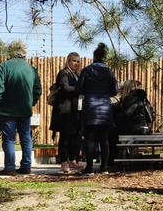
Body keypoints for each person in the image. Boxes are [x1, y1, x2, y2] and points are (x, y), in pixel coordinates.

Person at [0, 41, 41, 175]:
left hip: (7, 110)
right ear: (24, 52)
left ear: (10, 51)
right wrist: (31, 102)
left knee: (9, 139)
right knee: (25, 137)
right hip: (25, 110)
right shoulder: (31, 69)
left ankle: (9, 167)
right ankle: (26, 166)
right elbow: (37, 90)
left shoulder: (4, 66)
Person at [77, 42, 118, 175]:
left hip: (90, 109)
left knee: (90, 139)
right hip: (105, 109)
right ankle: (104, 168)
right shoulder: (109, 72)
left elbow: (79, 88)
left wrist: (89, 91)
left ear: (94, 57)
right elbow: (115, 91)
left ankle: (89, 168)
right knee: (104, 139)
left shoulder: (87, 70)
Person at [50, 52, 82, 173]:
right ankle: (64, 162)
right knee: (65, 137)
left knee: (75, 136)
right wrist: (79, 89)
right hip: (64, 110)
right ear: (68, 61)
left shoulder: (77, 74)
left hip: (75, 110)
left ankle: (73, 160)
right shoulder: (64, 73)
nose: (76, 63)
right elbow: (65, 88)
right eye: (74, 60)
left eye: (78, 61)